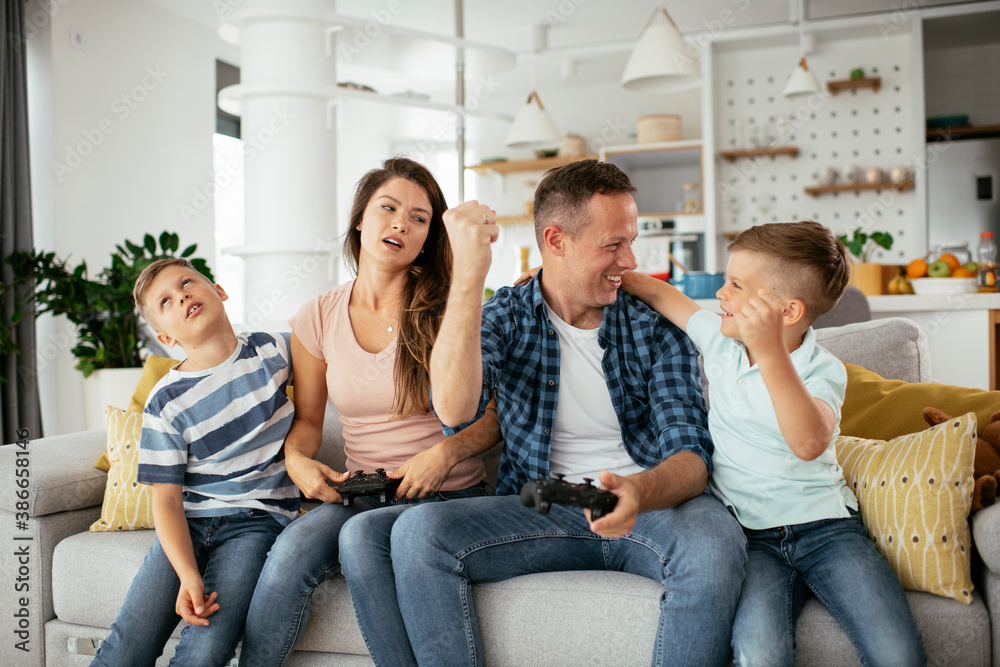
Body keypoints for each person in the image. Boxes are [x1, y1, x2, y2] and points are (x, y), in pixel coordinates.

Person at [386, 159, 747, 667]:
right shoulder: (507, 315)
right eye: (613, 245)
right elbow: (454, 408)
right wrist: (470, 275)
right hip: (543, 506)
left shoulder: (655, 326)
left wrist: (636, 493)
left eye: (631, 240)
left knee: (714, 541)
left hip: (651, 507)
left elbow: (691, 457)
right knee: (416, 534)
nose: (630, 258)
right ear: (555, 241)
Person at [622, 220, 926, 666]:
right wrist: (612, 274)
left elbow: (809, 442)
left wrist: (770, 354)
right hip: (750, 539)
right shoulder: (722, 344)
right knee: (759, 653)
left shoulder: (822, 371)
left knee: (898, 653)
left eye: (737, 285)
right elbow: (662, 294)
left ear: (787, 312)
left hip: (827, 531)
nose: (721, 294)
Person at [240, 157, 501, 667]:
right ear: (361, 219)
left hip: (445, 493)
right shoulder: (318, 316)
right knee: (287, 556)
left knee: (362, 541)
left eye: (420, 218)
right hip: (361, 492)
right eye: (389, 208)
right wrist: (298, 462)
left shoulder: (453, 304)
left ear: (429, 239)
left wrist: (443, 454)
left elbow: (491, 416)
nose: (401, 222)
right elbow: (310, 422)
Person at [91, 258, 299, 667]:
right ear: (165, 335)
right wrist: (188, 574)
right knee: (129, 643)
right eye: (166, 300)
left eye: (187, 283)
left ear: (219, 291)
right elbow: (165, 501)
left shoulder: (273, 349)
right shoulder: (165, 401)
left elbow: (334, 353)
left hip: (256, 525)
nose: (182, 294)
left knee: (208, 645)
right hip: (187, 523)